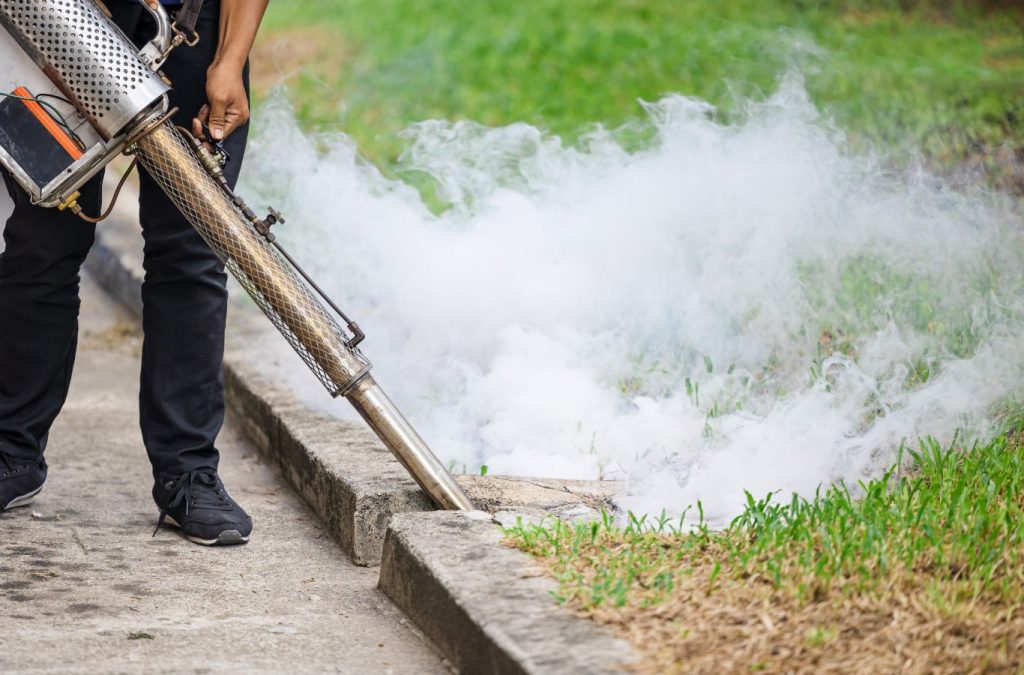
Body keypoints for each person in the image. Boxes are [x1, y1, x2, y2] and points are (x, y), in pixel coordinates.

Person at [0, 0, 269, 546]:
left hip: (193, 29)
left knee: (191, 253)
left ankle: (188, 475)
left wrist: (230, 59)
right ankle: (11, 453)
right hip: (63, 20)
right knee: (40, 244)